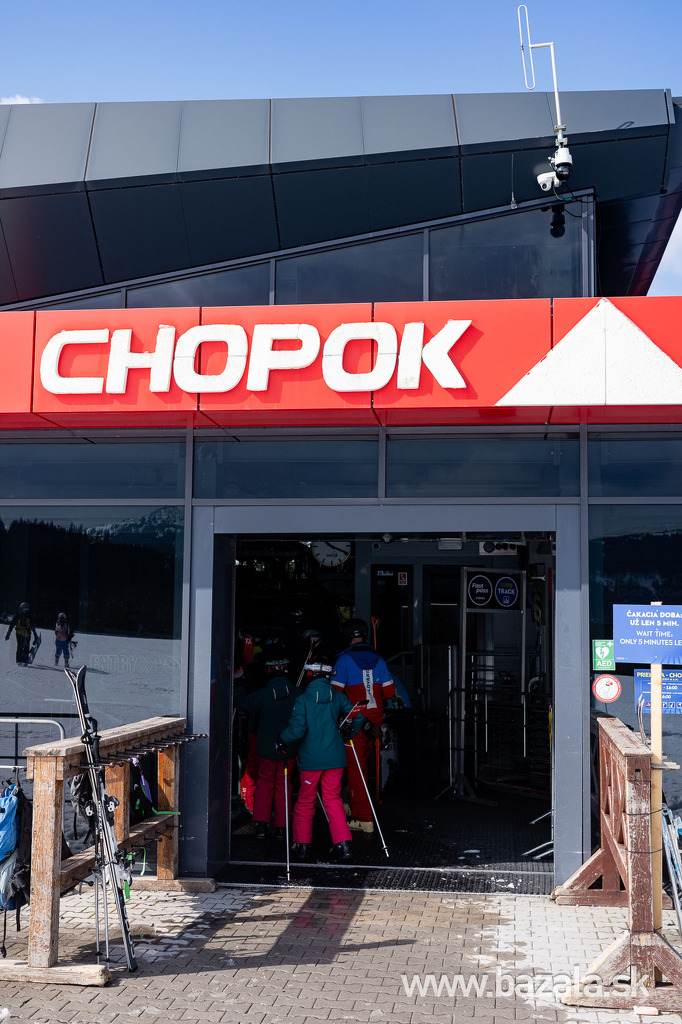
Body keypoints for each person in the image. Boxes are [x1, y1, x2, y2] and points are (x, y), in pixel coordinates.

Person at [278, 655, 363, 862]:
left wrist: (281, 738)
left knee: (305, 801)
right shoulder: (338, 697)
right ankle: (344, 845)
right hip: (335, 757)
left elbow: (297, 730)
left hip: (311, 759)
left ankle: (303, 846)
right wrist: (347, 733)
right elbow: (358, 714)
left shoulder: (303, 699)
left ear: (310, 673)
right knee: (333, 800)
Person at [331, 618, 400, 833]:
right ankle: (355, 805)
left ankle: (363, 818)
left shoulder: (343, 660)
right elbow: (389, 692)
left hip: (354, 722)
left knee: (356, 770)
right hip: (374, 723)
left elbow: (335, 695)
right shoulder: (378, 659)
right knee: (360, 767)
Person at [234, 656, 296, 839]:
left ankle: (261, 824)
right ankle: (282, 826)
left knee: (264, 783)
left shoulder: (263, 694)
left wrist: (240, 682)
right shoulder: (298, 693)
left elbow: (242, 703)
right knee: (284, 785)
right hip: (288, 747)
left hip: (267, 747)